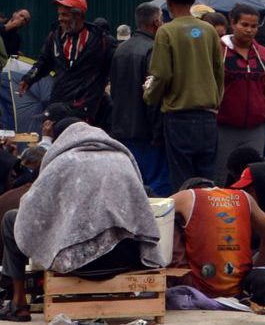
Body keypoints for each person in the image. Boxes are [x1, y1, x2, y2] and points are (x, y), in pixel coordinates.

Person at [2, 120, 164, 321]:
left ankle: (19, 304)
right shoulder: (123, 159)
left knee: (11, 219)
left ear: (62, 140)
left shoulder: (63, 162)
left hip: (77, 263)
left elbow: (32, 211)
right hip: (128, 258)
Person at [145, 0, 225, 191]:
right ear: (192, 1)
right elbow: (219, 71)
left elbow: (161, 74)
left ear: (169, 2)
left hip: (178, 117)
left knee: (183, 181)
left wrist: (149, 95)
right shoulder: (209, 30)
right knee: (207, 181)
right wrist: (215, 101)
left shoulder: (166, 31)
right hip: (208, 117)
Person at [172, 177, 265, 296]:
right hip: (241, 288)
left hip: (200, 289)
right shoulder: (244, 197)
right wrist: (256, 269)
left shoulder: (186, 196)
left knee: (167, 221)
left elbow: (157, 209)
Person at [19, 0, 114, 126]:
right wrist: (29, 78)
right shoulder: (55, 37)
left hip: (84, 107)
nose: (60, 18)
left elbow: (112, 67)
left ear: (78, 15)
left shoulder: (100, 41)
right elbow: (43, 62)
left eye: (64, 15)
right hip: (59, 102)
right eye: (59, 14)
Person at [216, 4, 265, 184]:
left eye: (254, 26)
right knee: (221, 176)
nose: (249, 30)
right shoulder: (217, 51)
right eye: (244, 25)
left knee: (253, 177)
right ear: (233, 23)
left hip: (255, 129)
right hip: (223, 128)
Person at [109, 2, 169, 196]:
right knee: (156, 189)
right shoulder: (153, 50)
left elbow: (114, 91)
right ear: (156, 22)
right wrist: (158, 132)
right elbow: (152, 94)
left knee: (129, 185)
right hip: (147, 132)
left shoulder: (121, 49)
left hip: (122, 129)